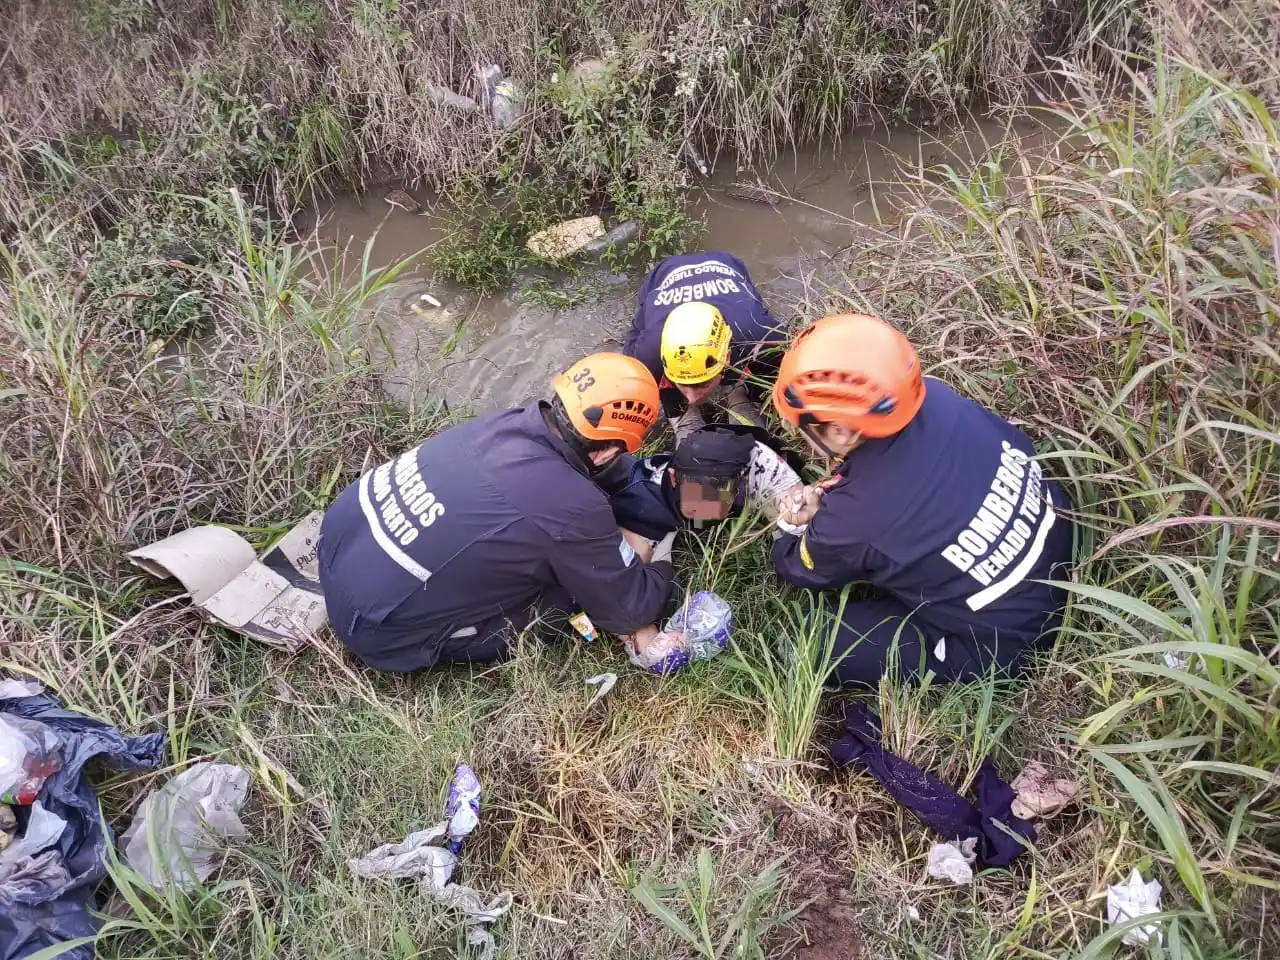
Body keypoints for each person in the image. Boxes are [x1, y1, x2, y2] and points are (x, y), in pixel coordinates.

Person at [317, 353, 677, 673]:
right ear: (603, 452)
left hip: (339, 552)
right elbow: (631, 609)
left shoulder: (504, 423)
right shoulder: (570, 506)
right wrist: (657, 560)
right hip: (381, 632)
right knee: (568, 591)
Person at [769, 313, 1076, 686]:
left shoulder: (857, 517)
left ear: (840, 431)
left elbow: (800, 569)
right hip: (1063, 548)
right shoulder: (939, 398)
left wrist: (792, 525)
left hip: (1009, 643)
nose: (801, 436)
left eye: (803, 428)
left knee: (807, 640)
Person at [623, 251, 788, 444]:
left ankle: (737, 395)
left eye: (702, 384)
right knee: (655, 377)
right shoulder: (646, 355)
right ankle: (687, 416)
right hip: (663, 274)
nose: (693, 398)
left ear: (726, 357)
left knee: (760, 361)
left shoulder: (761, 336)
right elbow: (635, 330)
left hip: (725, 265)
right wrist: (679, 407)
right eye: (684, 384)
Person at [604, 423, 805, 542]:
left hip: (734, 458)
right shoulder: (647, 501)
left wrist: (787, 524)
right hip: (667, 476)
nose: (707, 508)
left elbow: (801, 524)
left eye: (718, 500)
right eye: (697, 501)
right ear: (674, 478)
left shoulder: (762, 466)